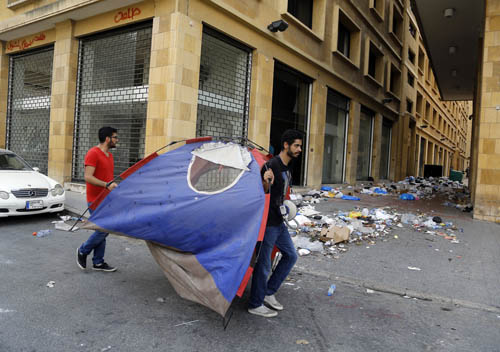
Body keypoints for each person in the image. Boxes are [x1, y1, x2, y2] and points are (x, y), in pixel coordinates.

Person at [248, 129, 303, 318]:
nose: (299, 149)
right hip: (268, 223)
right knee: (263, 264)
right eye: (296, 145)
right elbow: (261, 192)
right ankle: (255, 303)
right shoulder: (271, 166)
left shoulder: (288, 168)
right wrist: (265, 181)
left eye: (300, 146)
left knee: (290, 255)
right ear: (286, 145)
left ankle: (269, 292)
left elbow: (282, 194)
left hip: (279, 222)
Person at [76, 127, 119, 272]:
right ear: (107, 139)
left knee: (103, 229)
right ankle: (83, 250)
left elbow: (107, 177)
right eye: (115, 137)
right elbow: (88, 177)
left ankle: (98, 262)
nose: (116, 140)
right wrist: (106, 185)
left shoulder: (110, 156)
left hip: (107, 199)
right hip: (95, 199)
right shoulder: (93, 153)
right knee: (103, 229)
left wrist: (113, 186)